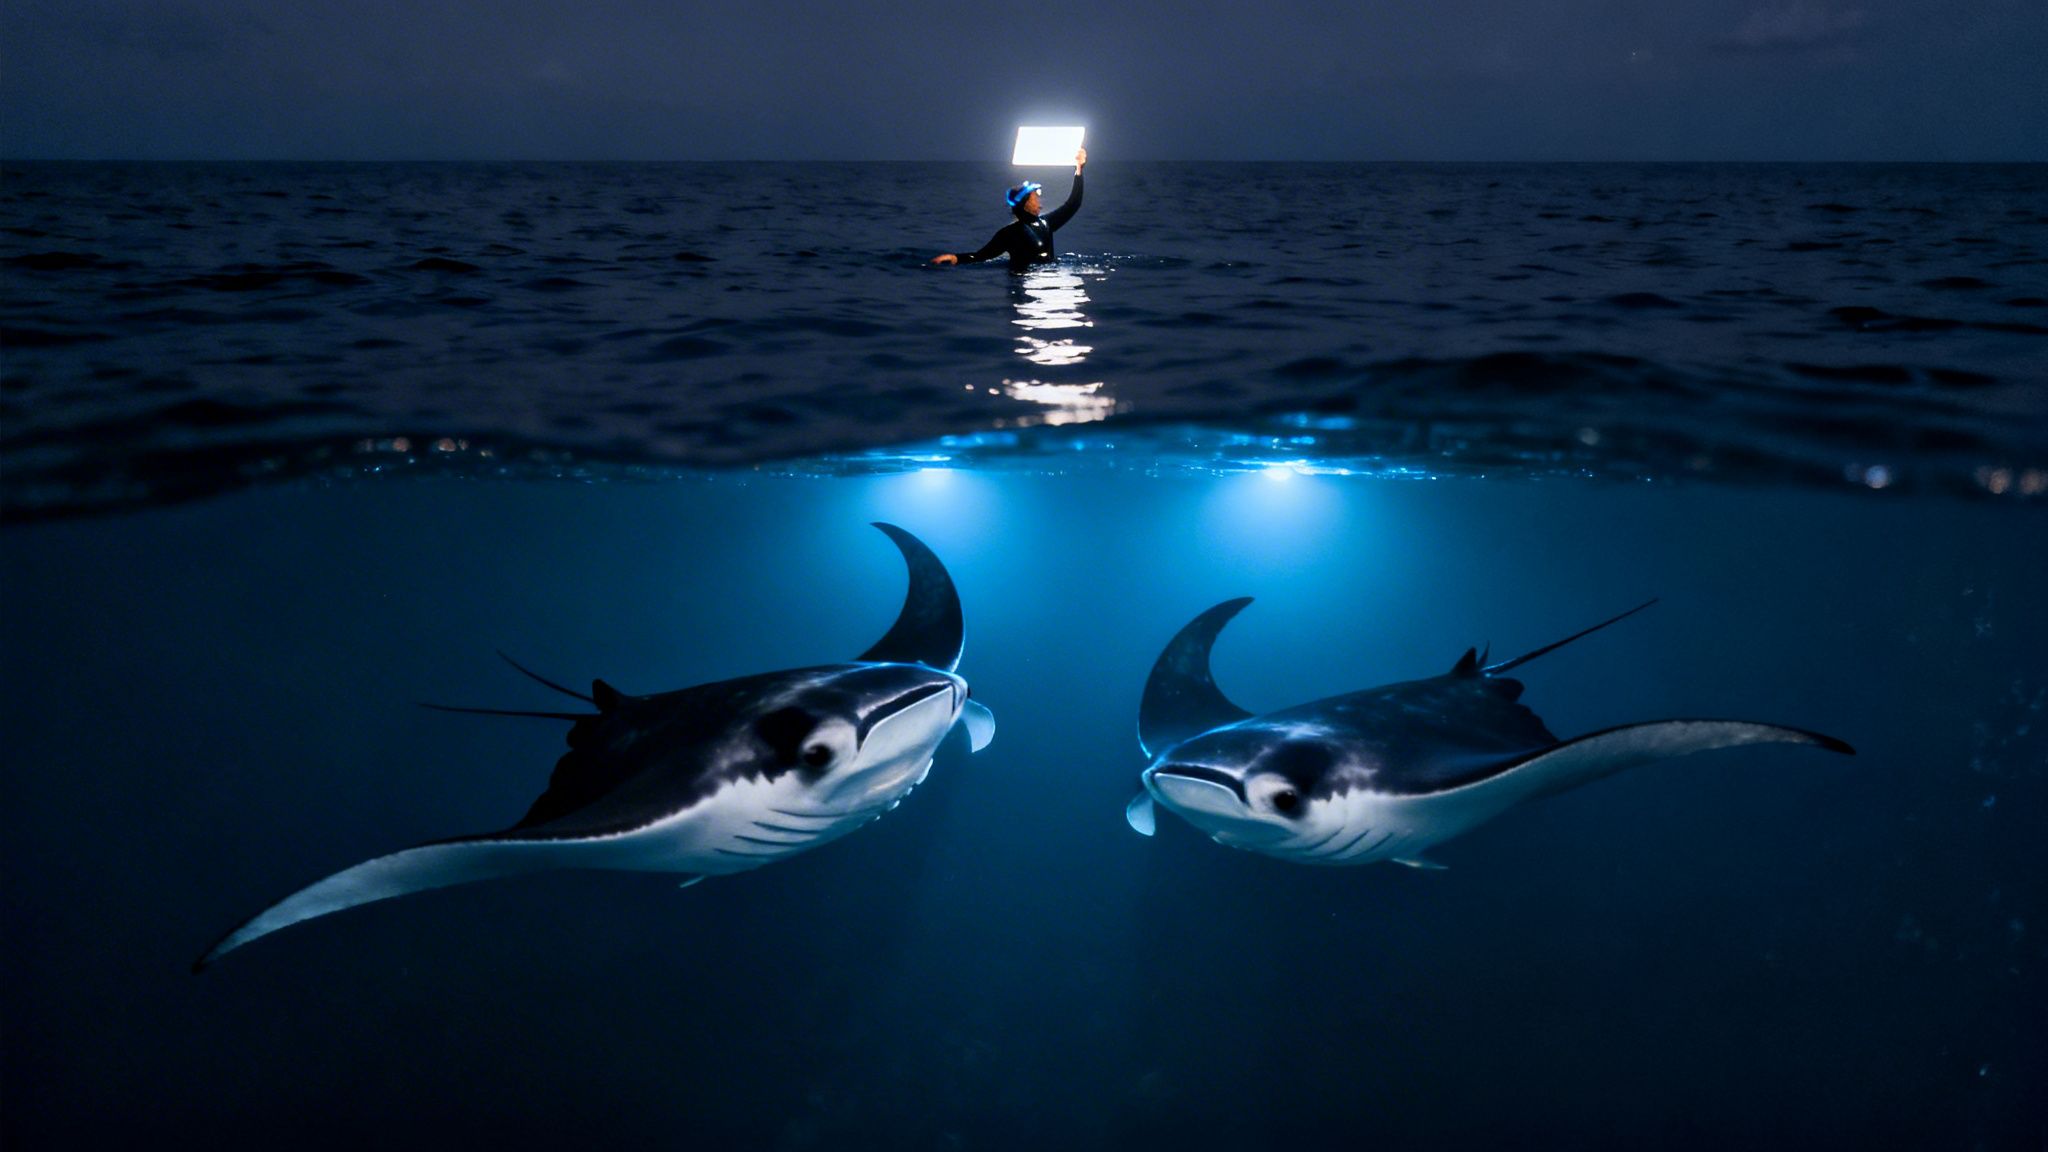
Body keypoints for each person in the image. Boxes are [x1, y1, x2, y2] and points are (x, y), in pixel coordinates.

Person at [932, 147, 1086, 270]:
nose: (1039, 200)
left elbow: (1073, 204)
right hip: (1023, 285)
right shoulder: (1009, 234)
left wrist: (1078, 169)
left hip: (1048, 279)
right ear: (1026, 203)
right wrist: (956, 258)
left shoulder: (1046, 223)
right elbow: (981, 256)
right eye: (1035, 196)